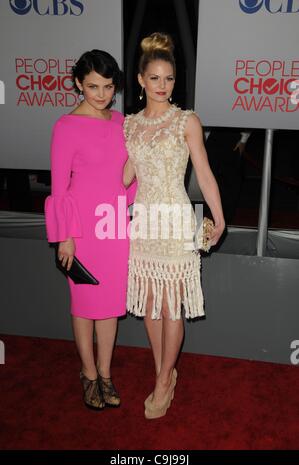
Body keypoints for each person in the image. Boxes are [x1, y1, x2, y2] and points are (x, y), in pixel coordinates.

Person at [123, 33, 225, 419]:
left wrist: (219, 216)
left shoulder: (187, 121)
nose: (162, 85)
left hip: (177, 220)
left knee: (171, 308)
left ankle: (164, 379)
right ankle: (162, 370)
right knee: (150, 304)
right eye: (155, 78)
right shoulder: (130, 126)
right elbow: (126, 175)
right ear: (140, 80)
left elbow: (205, 172)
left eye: (168, 78)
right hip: (145, 221)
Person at [44, 50, 136, 411]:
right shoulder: (66, 126)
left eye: (109, 87)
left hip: (114, 224)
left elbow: (128, 178)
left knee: (110, 305)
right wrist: (65, 235)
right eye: (93, 86)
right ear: (78, 84)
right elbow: (58, 186)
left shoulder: (121, 122)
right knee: (84, 304)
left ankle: (106, 373)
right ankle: (88, 374)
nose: (101, 94)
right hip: (81, 229)